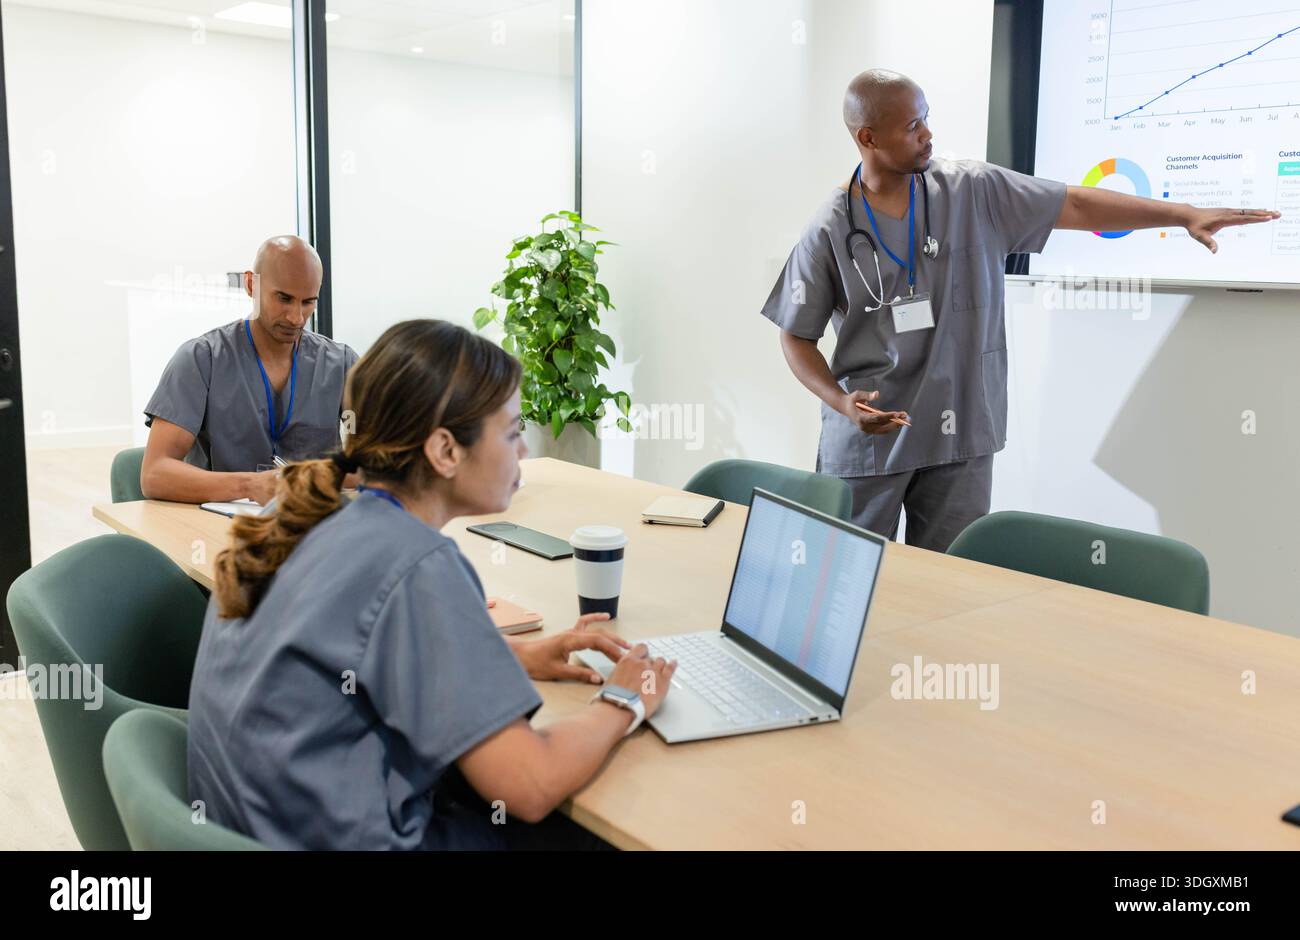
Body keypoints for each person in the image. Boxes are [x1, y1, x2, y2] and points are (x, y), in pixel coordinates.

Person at [187, 319, 677, 850]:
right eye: (512, 432)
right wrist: (627, 698)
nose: (525, 453)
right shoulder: (418, 564)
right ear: (445, 451)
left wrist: (507, 656)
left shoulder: (301, 510)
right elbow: (530, 784)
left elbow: (351, 657)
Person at [761, 69, 1281, 551]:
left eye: (927, 119)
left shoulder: (973, 191)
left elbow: (1073, 205)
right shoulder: (832, 225)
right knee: (846, 581)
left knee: (947, 593)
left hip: (959, 431)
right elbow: (795, 337)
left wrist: (1181, 213)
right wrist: (841, 402)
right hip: (872, 440)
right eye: (912, 126)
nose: (927, 135)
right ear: (867, 138)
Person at [140, 235, 358, 505]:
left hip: (315, 529)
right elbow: (155, 474)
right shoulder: (201, 360)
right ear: (251, 284)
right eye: (284, 298)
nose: (296, 317)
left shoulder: (342, 364)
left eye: (308, 302)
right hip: (217, 528)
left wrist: (313, 478)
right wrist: (250, 485)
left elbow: (378, 463)